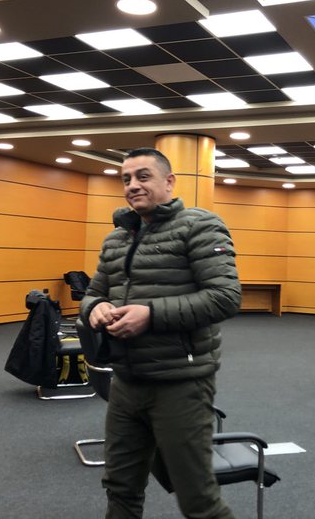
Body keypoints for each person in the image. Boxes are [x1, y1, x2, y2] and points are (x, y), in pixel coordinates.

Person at [80, 147, 241, 519]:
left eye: (143, 176)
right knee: (120, 488)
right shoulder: (117, 238)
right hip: (126, 381)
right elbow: (92, 293)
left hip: (180, 383)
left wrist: (150, 315)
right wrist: (95, 307)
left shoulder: (200, 226)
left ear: (169, 182)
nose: (133, 185)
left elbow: (225, 297)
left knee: (198, 500)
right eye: (126, 179)